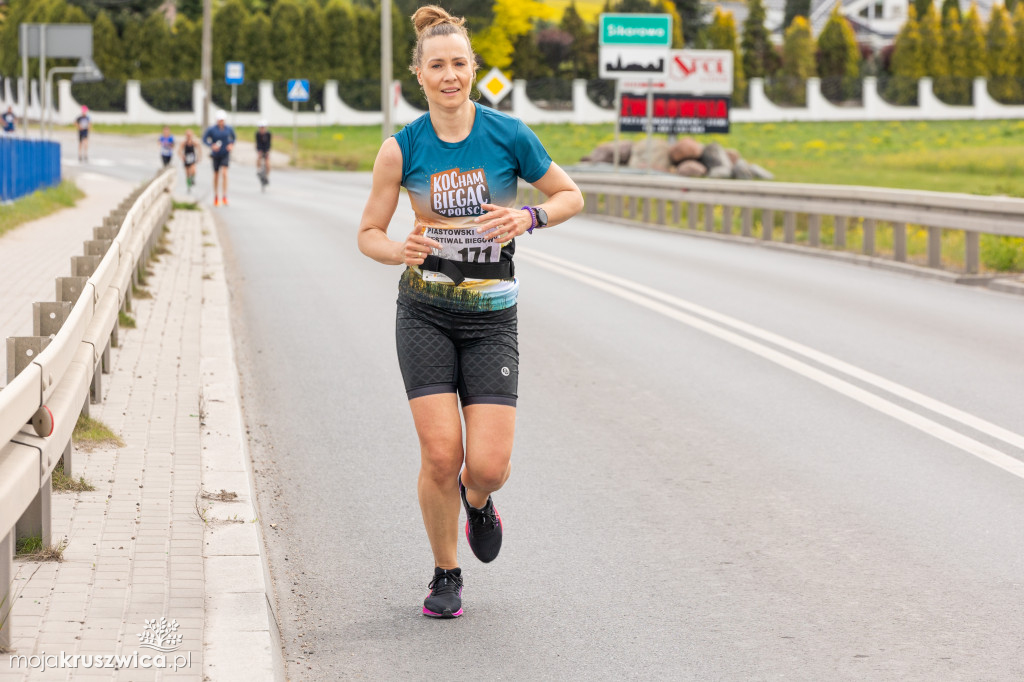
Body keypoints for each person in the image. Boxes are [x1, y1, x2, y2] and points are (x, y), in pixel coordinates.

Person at [357, 5, 583, 620]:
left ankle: (477, 501)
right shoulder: (400, 149)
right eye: (438, 65)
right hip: (424, 311)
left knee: (486, 466)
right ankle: (445, 572)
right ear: (420, 75)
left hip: (491, 318)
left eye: (459, 63)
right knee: (439, 455)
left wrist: (528, 216)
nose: (450, 74)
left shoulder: (508, 135)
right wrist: (394, 248)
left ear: (473, 69)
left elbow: (570, 195)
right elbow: (368, 234)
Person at [202, 110, 236, 206]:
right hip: (216, 154)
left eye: (222, 120)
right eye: (219, 120)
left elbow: (233, 138)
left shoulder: (229, 129)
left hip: (225, 153)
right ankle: (216, 195)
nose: (221, 122)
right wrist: (211, 145)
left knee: (224, 173)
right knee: (216, 175)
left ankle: (224, 195)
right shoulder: (212, 129)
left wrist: (231, 145)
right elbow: (204, 139)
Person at [255, 119, 272, 184]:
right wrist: (259, 151)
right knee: (259, 157)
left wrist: (267, 151)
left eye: (263, 128)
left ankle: (267, 175)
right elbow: (257, 143)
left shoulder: (268, 134)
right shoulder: (257, 134)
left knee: (267, 162)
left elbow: (269, 143)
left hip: (266, 149)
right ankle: (258, 170)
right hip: (260, 148)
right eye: (261, 128)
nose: (262, 129)